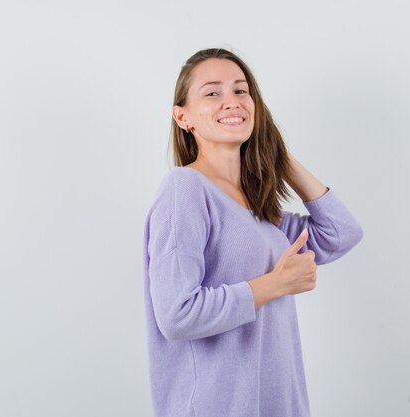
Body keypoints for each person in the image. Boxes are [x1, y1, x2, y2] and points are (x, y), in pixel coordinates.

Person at [142, 47, 364, 417]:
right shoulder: (186, 189)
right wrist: (274, 284)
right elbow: (177, 314)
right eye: (212, 93)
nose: (231, 102)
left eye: (241, 91)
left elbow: (341, 233)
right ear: (183, 117)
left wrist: (280, 156)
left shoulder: (260, 208)